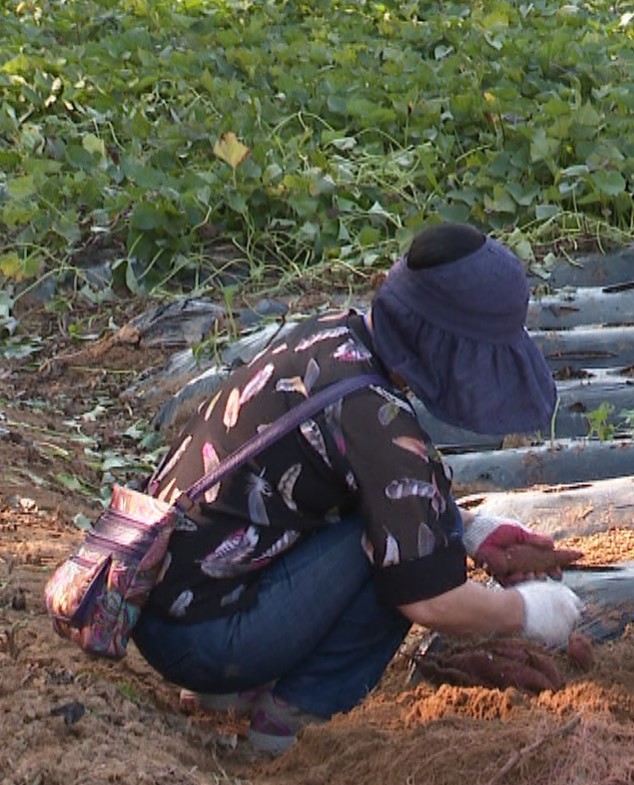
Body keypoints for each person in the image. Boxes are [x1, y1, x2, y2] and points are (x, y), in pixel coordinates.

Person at [133, 223, 584, 754]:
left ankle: (238, 687)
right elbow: (430, 601)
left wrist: (470, 532)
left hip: (165, 600)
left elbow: (370, 482)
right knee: (404, 565)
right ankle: (294, 715)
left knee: (412, 536)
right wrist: (530, 612)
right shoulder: (376, 416)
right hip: (201, 639)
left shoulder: (333, 338)